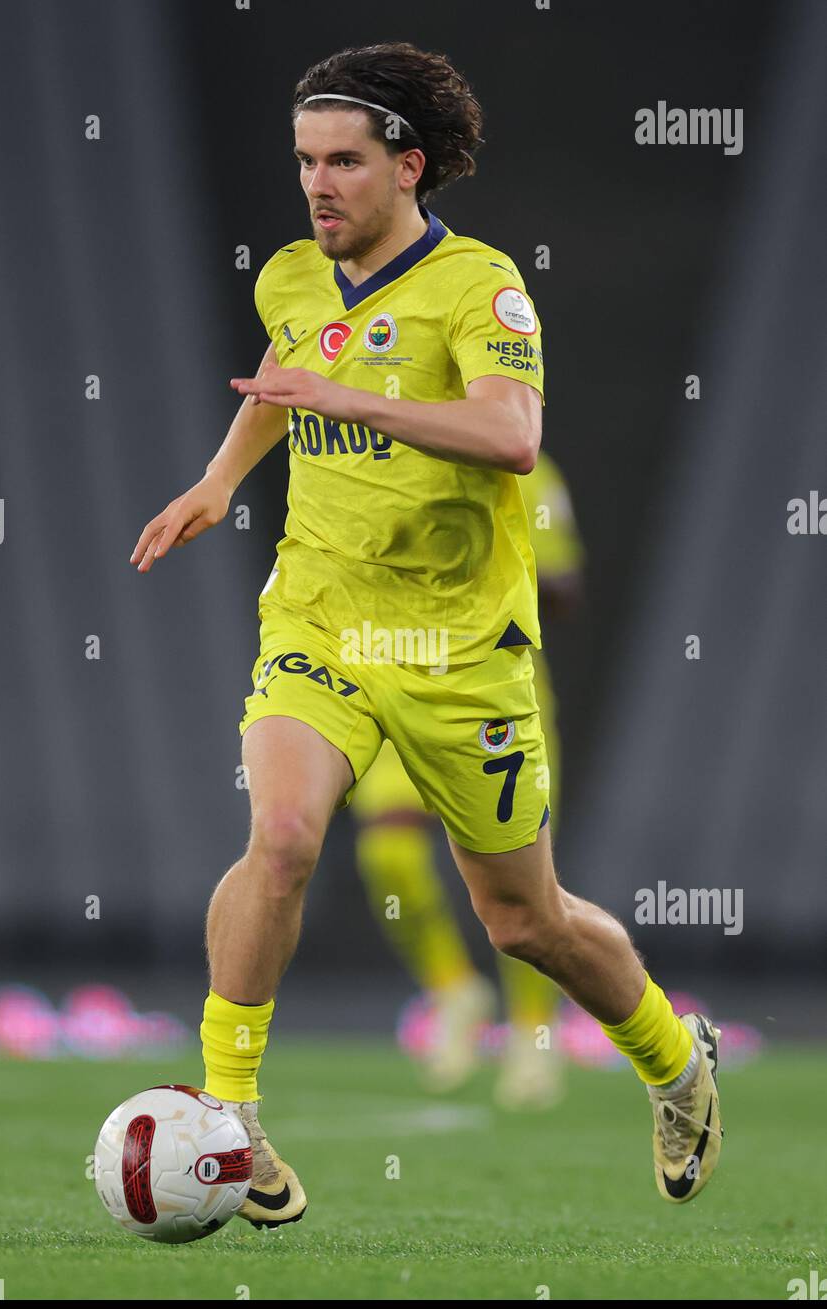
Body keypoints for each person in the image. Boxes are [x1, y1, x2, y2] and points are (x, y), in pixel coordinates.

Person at [131, 42, 722, 1228]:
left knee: (526, 923)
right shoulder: (293, 277)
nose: (317, 185)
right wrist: (218, 480)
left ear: (407, 166)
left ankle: (673, 1060)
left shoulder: (480, 288)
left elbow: (508, 436)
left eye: (343, 159)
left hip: (458, 656)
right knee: (284, 833)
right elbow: (283, 371)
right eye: (304, 160)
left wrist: (346, 400)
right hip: (319, 621)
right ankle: (231, 1118)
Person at [350, 451, 585, 1110]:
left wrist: (470, 561)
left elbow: (564, 588)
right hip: (400, 687)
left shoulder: (523, 465)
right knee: (387, 853)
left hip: (495, 699)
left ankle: (534, 1037)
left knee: (515, 888)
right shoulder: (378, 459)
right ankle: (454, 989)